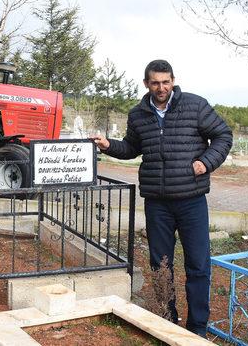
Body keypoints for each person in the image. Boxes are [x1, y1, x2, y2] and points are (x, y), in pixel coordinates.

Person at [91, 59, 232, 337]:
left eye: (166, 82)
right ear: (146, 83)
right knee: (160, 264)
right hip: (157, 203)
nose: (161, 87)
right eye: (155, 82)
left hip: (191, 200)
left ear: (173, 80)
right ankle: (167, 319)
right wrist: (109, 146)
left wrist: (206, 162)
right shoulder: (138, 114)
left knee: (198, 264)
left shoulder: (195, 106)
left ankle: (197, 329)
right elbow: (132, 147)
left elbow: (223, 136)